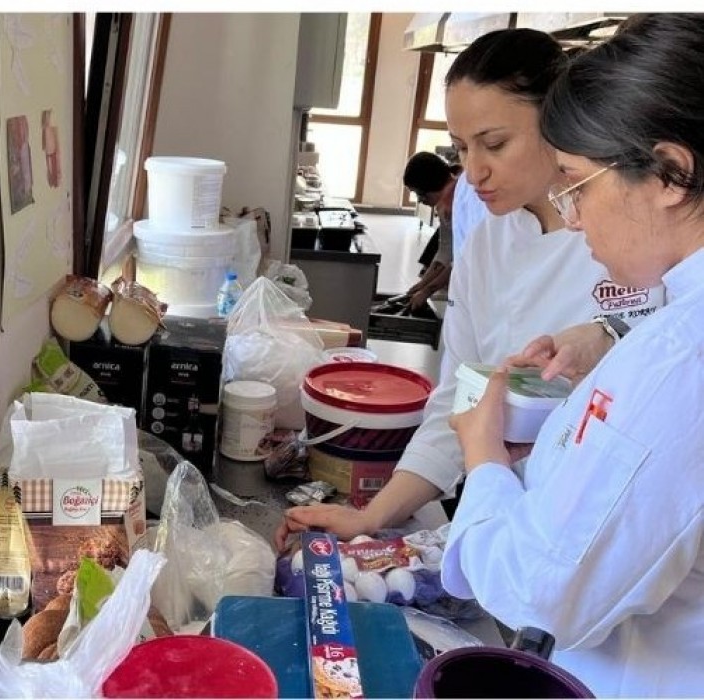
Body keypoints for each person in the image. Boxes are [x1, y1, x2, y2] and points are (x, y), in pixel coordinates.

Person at [277, 28, 664, 548]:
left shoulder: (632, 244)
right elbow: (459, 402)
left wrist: (605, 338)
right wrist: (373, 517)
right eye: (462, 148)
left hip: (599, 527)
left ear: (557, 120)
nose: (475, 171)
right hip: (503, 515)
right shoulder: (487, 241)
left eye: (495, 144)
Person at [446, 14, 704, 694]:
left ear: (670, 174)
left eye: (579, 184)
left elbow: (539, 590)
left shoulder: (679, 358)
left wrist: (484, 458)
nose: (574, 216)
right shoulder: (668, 329)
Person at [398, 151, 458, 313]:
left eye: (420, 193)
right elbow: (445, 251)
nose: (419, 200)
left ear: (431, 184)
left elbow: (462, 260)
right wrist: (421, 284)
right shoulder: (445, 205)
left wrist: (427, 291)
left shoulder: (463, 204)